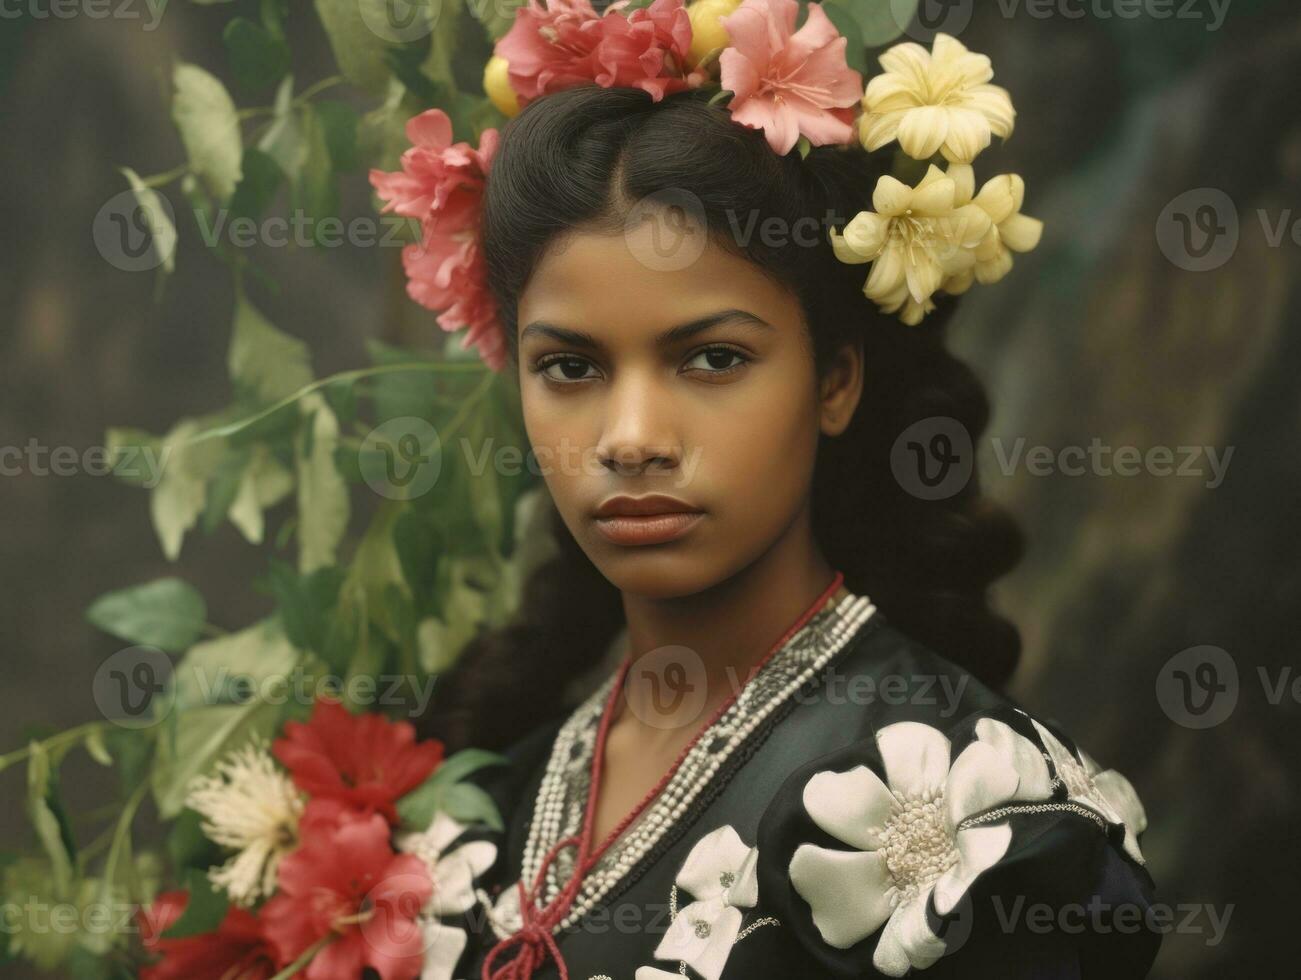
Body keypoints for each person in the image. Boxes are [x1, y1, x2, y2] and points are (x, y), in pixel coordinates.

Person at [393, 9, 1160, 978]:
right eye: (570, 367)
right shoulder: (476, 813)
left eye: (711, 357)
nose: (629, 438)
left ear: (834, 379)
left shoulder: (971, 823)